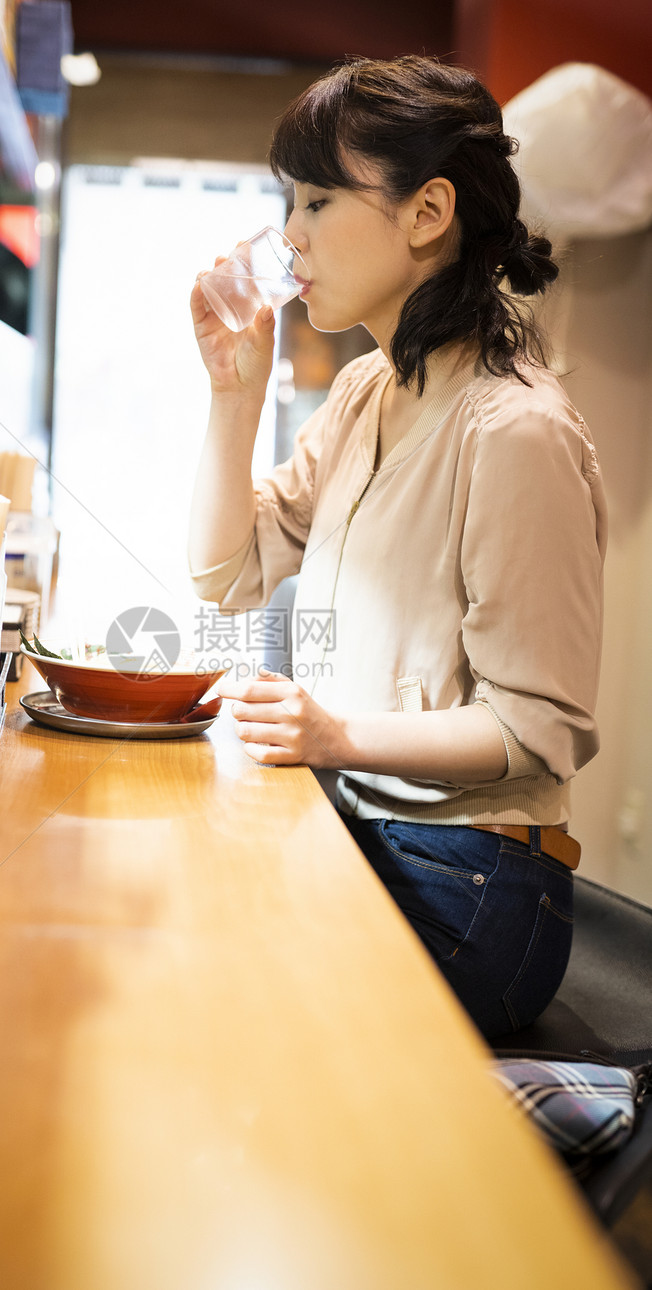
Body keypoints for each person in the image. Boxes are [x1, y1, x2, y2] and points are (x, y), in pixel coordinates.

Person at [187, 54, 607, 1041]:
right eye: (288, 202)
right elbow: (224, 573)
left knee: (217, 1009)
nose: (290, 235)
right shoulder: (362, 394)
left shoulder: (514, 431)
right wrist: (232, 393)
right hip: (362, 836)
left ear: (426, 213)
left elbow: (534, 728)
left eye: (318, 201)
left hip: (470, 888)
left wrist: (331, 736)